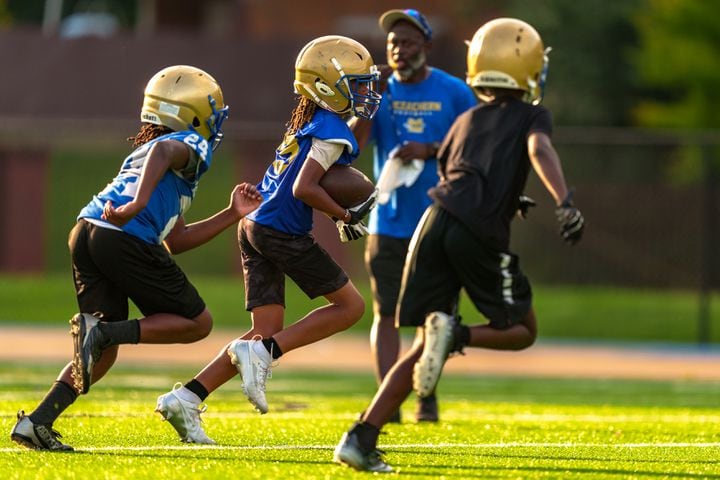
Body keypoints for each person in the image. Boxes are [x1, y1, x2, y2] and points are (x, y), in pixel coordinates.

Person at [334, 18, 585, 472]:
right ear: (528, 67)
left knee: (419, 344)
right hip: (475, 230)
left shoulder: (466, 116)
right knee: (520, 330)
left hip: (433, 221)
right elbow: (538, 151)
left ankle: (361, 436)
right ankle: (458, 336)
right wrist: (563, 200)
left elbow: (459, 171)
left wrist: (512, 195)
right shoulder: (532, 115)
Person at [9, 65, 263, 451]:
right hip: (121, 234)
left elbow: (175, 240)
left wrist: (232, 214)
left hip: (87, 231)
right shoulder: (186, 145)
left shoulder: (147, 157)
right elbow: (164, 151)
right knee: (197, 322)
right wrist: (137, 204)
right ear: (192, 114)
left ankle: (38, 421)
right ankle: (104, 332)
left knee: (101, 353)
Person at [154, 35, 382, 444]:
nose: (366, 92)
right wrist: (345, 214)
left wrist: (337, 212)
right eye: (358, 83)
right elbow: (305, 189)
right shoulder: (329, 130)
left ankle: (187, 397)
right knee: (350, 307)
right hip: (280, 228)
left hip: (255, 225)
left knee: (266, 328)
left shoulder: (309, 121)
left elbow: (302, 182)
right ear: (328, 84)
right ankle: (264, 355)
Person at [350, 8, 477, 424]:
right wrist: (369, 101)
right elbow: (350, 145)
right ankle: (389, 403)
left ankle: (426, 396)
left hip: (439, 220)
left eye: (406, 42)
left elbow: (475, 148)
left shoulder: (454, 92)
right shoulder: (378, 92)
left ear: (425, 45)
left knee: (433, 317)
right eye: (392, 43)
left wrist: (431, 149)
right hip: (388, 221)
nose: (398, 50)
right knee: (386, 313)